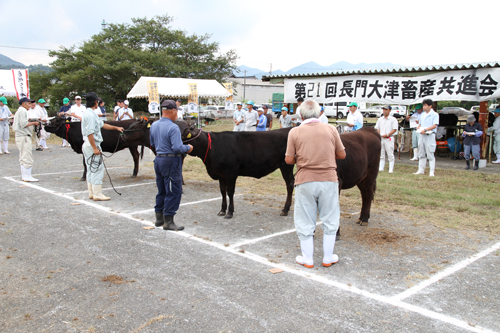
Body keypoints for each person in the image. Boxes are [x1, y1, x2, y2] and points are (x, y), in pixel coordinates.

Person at [285, 99, 346, 268]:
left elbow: (289, 160)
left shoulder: (294, 132)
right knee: (330, 217)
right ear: (320, 113)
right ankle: (327, 257)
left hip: (305, 180)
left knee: (305, 218)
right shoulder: (331, 129)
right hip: (328, 179)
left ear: (301, 114)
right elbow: (342, 155)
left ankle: (308, 258)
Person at [150, 99, 193, 231]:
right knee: (173, 190)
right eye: (176, 111)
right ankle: (168, 220)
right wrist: (188, 147)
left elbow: (152, 143)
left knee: (162, 189)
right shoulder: (173, 127)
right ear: (173, 111)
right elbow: (177, 147)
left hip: (159, 159)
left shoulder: (154, 125)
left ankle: (159, 218)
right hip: (171, 161)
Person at [81, 92, 124, 201]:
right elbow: (90, 132)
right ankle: (97, 194)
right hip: (92, 145)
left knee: (91, 169)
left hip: (87, 145)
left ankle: (91, 192)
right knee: (97, 169)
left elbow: (102, 124)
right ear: (95, 102)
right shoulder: (90, 115)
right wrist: (95, 148)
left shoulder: (89, 113)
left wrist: (116, 128)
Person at [12, 97, 40, 181]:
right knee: (26, 156)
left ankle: (25, 175)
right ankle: (26, 176)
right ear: (23, 103)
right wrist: (34, 123)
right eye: (28, 103)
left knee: (23, 156)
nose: (30, 105)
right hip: (23, 136)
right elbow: (24, 124)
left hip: (21, 136)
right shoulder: (22, 111)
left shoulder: (20, 111)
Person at [414, 99, 439, 177]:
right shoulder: (422, 114)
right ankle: (421, 170)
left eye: (425, 105)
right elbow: (420, 123)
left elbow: (434, 125)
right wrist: (418, 126)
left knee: (430, 153)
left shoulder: (435, 114)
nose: (424, 107)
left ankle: (431, 171)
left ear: (430, 106)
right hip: (422, 134)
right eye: (423, 105)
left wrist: (426, 129)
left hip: (430, 135)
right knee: (421, 153)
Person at [375, 105, 398, 173]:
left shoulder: (393, 119)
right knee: (381, 153)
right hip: (381, 137)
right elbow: (377, 128)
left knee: (390, 153)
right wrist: (379, 134)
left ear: (389, 110)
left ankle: (391, 168)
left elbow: (394, 129)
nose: (384, 111)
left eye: (386, 109)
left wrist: (387, 134)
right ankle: (381, 167)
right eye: (384, 109)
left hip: (389, 138)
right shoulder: (380, 119)